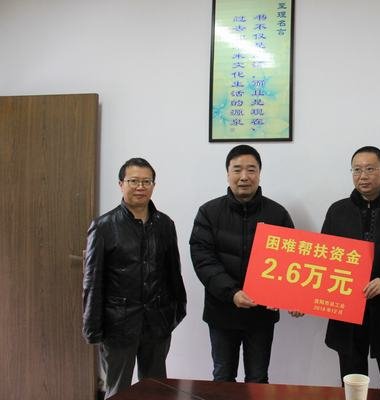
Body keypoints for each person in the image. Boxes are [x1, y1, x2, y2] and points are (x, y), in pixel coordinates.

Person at [189, 144, 299, 384]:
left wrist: (293, 297)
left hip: (261, 315)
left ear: (259, 173)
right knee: (223, 377)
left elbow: (292, 263)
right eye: (237, 169)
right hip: (222, 310)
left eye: (251, 169)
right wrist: (232, 293)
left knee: (258, 378)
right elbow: (203, 259)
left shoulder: (277, 214)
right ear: (227, 173)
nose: (244, 176)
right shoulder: (208, 212)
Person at [82, 157, 187, 399]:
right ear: (121, 184)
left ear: (153, 185)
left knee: (157, 390)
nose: (140, 187)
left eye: (146, 182)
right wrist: (92, 327)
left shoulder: (165, 224)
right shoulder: (103, 226)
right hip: (118, 325)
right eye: (133, 181)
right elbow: (92, 281)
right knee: (118, 390)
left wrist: (176, 312)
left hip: (157, 323)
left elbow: (174, 272)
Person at [321, 146, 380, 389]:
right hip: (347, 312)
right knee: (352, 384)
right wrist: (301, 297)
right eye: (357, 170)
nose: (362, 176)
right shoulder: (337, 211)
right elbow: (322, 261)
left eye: (370, 169)